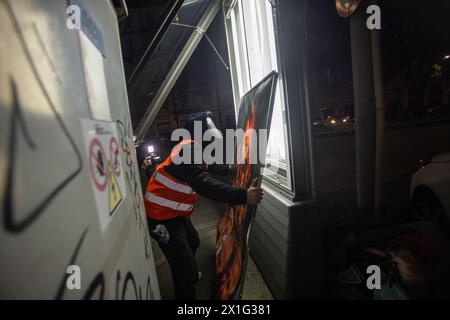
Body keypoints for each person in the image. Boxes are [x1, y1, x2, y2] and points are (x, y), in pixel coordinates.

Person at [144, 111, 263, 300]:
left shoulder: (192, 147)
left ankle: (188, 271)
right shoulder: (190, 151)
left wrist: (229, 169)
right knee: (185, 269)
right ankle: (186, 289)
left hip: (174, 214)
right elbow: (204, 184)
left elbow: (205, 166)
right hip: (161, 218)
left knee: (192, 241)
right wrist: (244, 195)